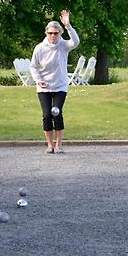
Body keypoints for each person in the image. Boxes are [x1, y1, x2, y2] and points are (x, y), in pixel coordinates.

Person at [30, 10, 80, 154]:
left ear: (60, 34)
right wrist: (38, 80)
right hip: (44, 87)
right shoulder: (39, 48)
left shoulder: (64, 45)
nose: (53, 36)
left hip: (60, 86)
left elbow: (76, 42)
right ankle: (50, 145)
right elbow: (33, 66)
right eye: (50, 33)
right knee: (47, 114)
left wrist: (68, 26)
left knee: (56, 112)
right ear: (46, 33)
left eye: (56, 33)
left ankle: (58, 145)